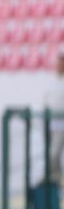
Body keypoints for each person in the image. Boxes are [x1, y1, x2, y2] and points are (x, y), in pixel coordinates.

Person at [45, 49, 64, 184]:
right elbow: (46, 104)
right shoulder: (51, 83)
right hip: (55, 126)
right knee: (53, 155)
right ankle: (56, 185)